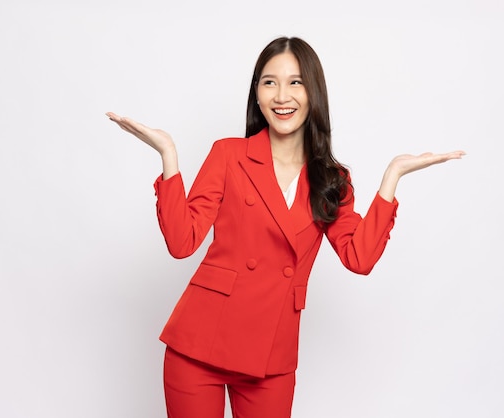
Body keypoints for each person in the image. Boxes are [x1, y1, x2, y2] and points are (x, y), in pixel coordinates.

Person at [106, 36, 464, 418]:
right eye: (269, 82)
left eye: (295, 82)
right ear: (257, 94)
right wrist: (169, 157)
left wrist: (391, 177)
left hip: (270, 357)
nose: (282, 95)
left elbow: (359, 258)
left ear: (313, 93)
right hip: (199, 345)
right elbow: (182, 241)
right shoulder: (228, 155)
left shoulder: (332, 179)